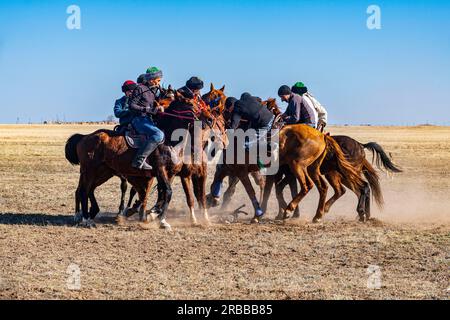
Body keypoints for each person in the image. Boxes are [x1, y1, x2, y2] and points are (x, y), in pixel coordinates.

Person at [128, 67, 165, 170]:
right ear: (151, 79)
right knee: (159, 134)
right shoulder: (140, 88)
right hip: (139, 120)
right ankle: (139, 160)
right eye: (158, 80)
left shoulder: (153, 90)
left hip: (149, 120)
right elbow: (131, 106)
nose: (159, 83)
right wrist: (148, 110)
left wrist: (159, 108)